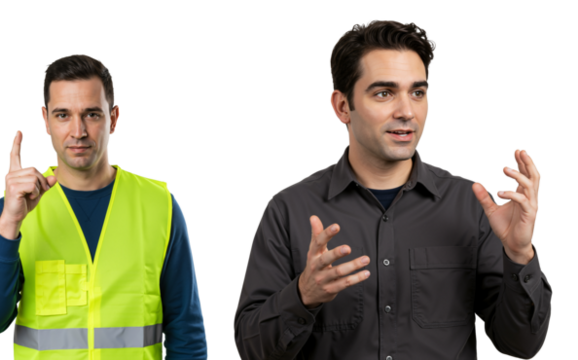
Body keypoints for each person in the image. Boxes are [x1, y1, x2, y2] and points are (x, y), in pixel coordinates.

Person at [233, 18, 551, 359]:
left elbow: (522, 346)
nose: (406, 111)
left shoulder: (471, 205)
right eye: (384, 93)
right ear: (342, 107)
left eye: (418, 92)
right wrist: (303, 295)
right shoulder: (289, 209)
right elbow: (251, 350)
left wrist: (520, 255)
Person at [0, 53, 209, 359]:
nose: (78, 131)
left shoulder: (159, 204)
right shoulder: (14, 207)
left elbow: (186, 332)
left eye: (91, 114)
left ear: (114, 119)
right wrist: (10, 222)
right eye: (63, 115)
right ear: (46, 120)